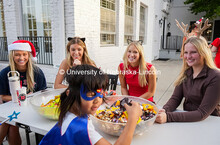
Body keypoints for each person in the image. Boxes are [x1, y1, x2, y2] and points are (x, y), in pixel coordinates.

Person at [40, 64, 142, 145]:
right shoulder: (81, 129)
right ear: (70, 94)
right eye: (90, 94)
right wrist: (133, 118)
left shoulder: (68, 112)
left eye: (100, 94)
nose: (98, 100)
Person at [156, 36, 220, 124]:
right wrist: (164, 110)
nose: (188, 56)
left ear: (203, 53)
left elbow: (202, 113)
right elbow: (175, 98)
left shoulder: (215, 77)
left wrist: (168, 117)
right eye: (186, 52)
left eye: (193, 52)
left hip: (209, 124)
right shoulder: (186, 73)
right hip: (188, 121)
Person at [0, 40, 47, 145]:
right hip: (11, 106)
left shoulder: (37, 72)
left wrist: (30, 98)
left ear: (28, 55)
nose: (21, 58)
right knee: (11, 125)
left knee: (10, 123)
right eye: (17, 55)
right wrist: (22, 97)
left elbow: (42, 93)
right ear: (12, 56)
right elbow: (2, 96)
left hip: (31, 107)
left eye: (24, 54)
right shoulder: (5, 73)